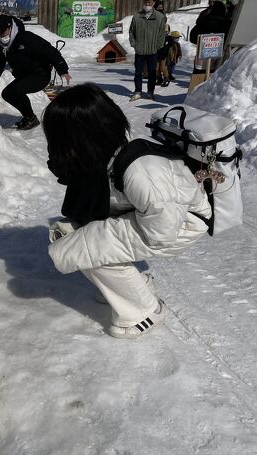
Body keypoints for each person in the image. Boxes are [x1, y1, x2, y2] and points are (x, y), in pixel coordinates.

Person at [42, 84, 211, 338]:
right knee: (79, 240)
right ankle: (131, 287)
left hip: (180, 225)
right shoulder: (110, 151)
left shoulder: (141, 171)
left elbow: (162, 229)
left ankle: (144, 311)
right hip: (157, 217)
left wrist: (96, 234)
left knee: (83, 246)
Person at [0, 14, 72, 130]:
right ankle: (29, 117)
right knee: (8, 93)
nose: (1, 35)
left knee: (15, 91)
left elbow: (49, 51)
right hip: (24, 75)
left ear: (10, 27)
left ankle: (30, 119)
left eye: (3, 32)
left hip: (40, 74)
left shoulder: (26, 38)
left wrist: (62, 70)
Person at [128, 0, 167, 101]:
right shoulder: (137, 16)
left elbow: (162, 34)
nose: (147, 5)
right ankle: (138, 91)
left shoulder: (159, 17)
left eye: (150, 3)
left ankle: (150, 92)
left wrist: (158, 46)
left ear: (153, 3)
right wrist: (134, 44)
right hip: (139, 51)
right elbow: (131, 32)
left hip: (153, 51)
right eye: (146, 3)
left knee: (152, 73)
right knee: (138, 72)